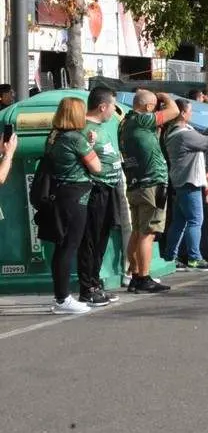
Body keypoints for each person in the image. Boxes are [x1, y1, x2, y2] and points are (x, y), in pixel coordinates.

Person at [46, 97, 103, 313]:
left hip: (60, 194)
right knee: (69, 247)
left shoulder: (54, 135)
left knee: (62, 247)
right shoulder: (75, 138)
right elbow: (96, 166)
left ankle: (61, 296)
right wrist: (92, 144)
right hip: (75, 195)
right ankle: (63, 299)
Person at [121, 89, 180, 292]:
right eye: (154, 107)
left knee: (137, 231)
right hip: (151, 183)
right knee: (148, 232)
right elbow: (174, 111)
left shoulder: (126, 122)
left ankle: (135, 274)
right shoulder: (142, 119)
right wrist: (165, 97)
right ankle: (144, 278)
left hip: (135, 183)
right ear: (147, 107)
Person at [163, 99, 208, 271]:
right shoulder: (183, 134)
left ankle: (170, 257)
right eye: (190, 111)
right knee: (195, 220)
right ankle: (194, 258)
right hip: (190, 182)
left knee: (179, 222)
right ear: (183, 113)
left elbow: (201, 138)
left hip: (181, 182)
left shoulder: (177, 132)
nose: (192, 114)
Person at [76, 87, 123, 306]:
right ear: (102, 106)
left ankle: (95, 282)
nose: (114, 111)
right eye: (112, 106)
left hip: (109, 189)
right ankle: (87, 288)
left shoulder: (103, 127)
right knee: (90, 240)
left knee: (102, 238)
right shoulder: (85, 128)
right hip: (94, 191)